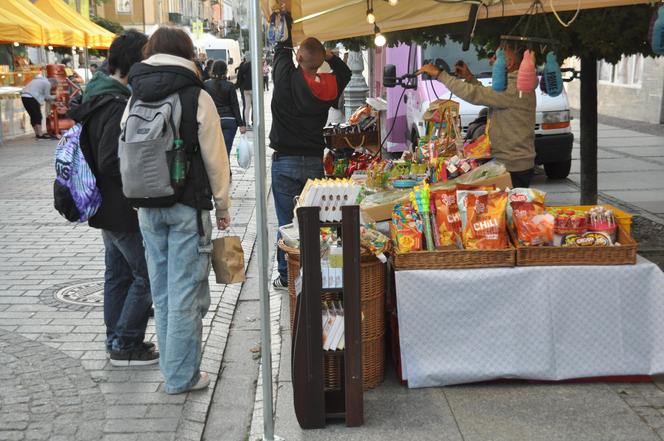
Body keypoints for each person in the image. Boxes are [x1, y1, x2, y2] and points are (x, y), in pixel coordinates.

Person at [124, 27, 231, 394]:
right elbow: (216, 157)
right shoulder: (195, 95)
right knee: (186, 293)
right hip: (188, 205)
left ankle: (174, 370)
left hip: (147, 205)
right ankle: (182, 377)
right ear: (187, 53)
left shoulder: (135, 94)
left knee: (164, 292)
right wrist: (223, 205)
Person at [68, 30, 156, 366]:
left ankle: (116, 339)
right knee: (146, 274)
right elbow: (109, 159)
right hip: (120, 206)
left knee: (118, 274)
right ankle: (125, 342)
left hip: (105, 205)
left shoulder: (99, 94)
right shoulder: (116, 103)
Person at [269, 11, 351, 289]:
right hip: (314, 162)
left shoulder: (283, 80)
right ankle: (315, 270)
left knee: (285, 222)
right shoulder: (327, 87)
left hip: (284, 161)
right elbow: (345, 72)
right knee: (313, 221)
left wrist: (285, 19)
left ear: (299, 58)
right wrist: (327, 56)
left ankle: (286, 275)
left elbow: (280, 49)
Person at [418, 46, 536, 188]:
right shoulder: (513, 85)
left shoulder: (513, 87)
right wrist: (469, 78)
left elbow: (474, 94)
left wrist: (440, 74)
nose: (491, 61)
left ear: (509, 63)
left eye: (496, 57)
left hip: (514, 165)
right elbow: (486, 94)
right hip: (511, 161)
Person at [204, 60, 246, 159]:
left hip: (213, 121)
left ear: (212, 70)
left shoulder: (206, 85)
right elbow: (235, 106)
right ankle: (227, 172)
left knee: (214, 153)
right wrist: (241, 124)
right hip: (229, 121)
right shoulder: (230, 86)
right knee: (225, 153)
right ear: (225, 71)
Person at [20, 72, 54, 139]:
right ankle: (40, 134)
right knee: (38, 116)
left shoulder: (37, 80)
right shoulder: (47, 84)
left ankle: (37, 133)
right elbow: (47, 96)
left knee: (33, 115)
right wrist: (55, 97)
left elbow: (42, 95)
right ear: (52, 84)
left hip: (24, 96)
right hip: (31, 97)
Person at [236, 54, 253, 128]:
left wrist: (237, 86)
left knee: (246, 106)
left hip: (245, 88)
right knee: (254, 106)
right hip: (253, 88)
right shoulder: (253, 64)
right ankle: (254, 122)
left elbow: (239, 78)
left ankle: (246, 123)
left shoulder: (242, 65)